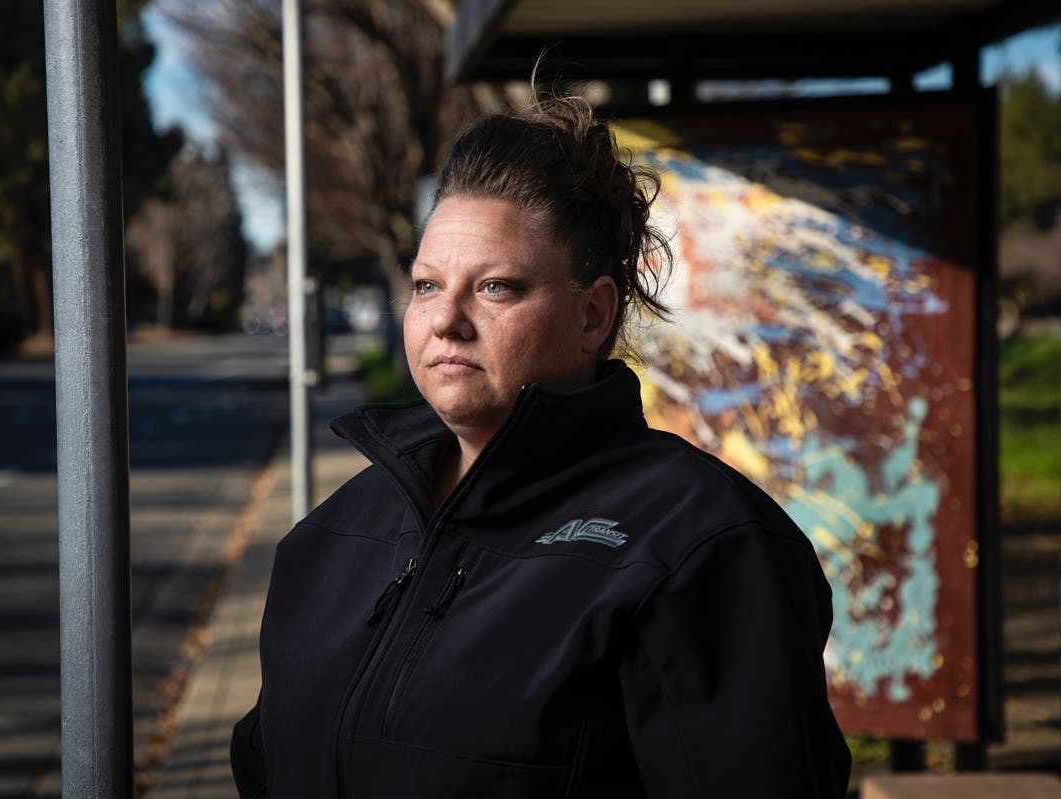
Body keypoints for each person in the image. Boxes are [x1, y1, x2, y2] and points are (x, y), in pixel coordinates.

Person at [231, 89, 852, 798]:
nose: (446, 321)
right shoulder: (335, 532)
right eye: (427, 286)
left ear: (592, 315)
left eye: (495, 287)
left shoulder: (701, 545)